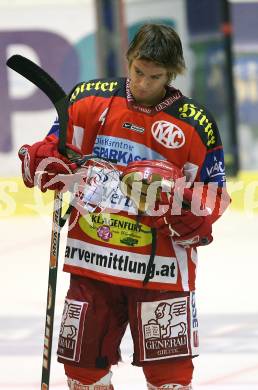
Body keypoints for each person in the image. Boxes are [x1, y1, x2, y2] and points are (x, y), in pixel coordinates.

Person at [18, 24, 230, 390]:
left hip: (161, 272)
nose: (144, 83)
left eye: (156, 76)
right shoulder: (88, 100)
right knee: (82, 378)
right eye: (138, 72)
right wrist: (45, 162)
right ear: (129, 61)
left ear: (173, 73)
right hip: (92, 263)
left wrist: (183, 211)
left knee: (171, 382)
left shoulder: (196, 125)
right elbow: (54, 149)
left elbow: (214, 197)